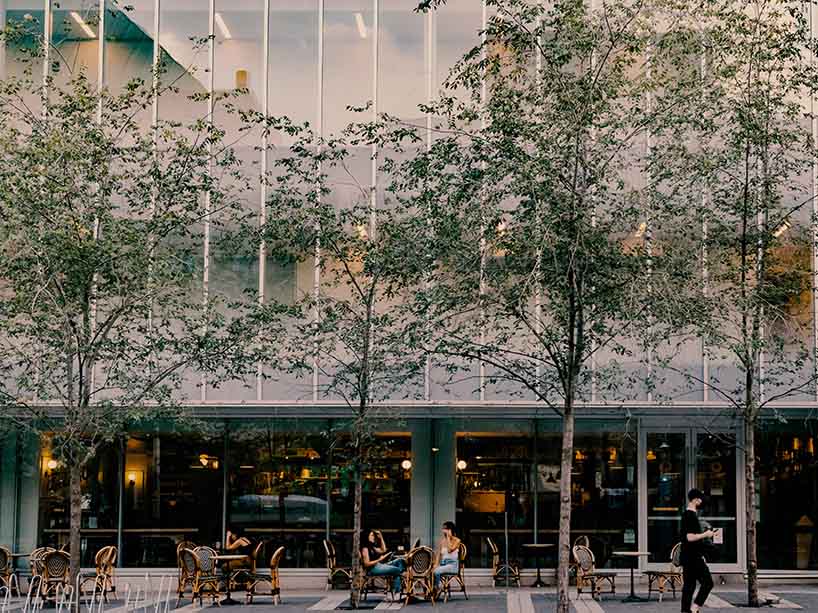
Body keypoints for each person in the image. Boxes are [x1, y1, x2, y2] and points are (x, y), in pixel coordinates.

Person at [681, 488, 717, 613]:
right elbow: (689, 537)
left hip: (689, 556)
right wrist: (706, 534)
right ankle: (694, 608)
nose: (701, 501)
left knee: (689, 587)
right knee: (708, 583)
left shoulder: (688, 514)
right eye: (700, 498)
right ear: (696, 499)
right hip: (693, 557)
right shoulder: (690, 516)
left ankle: (686, 611)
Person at [361, 529, 405, 595]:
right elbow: (366, 564)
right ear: (367, 537)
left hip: (379, 565)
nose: (374, 537)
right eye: (372, 535)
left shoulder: (371, 547)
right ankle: (398, 590)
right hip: (373, 569)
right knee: (397, 570)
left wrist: (381, 537)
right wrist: (379, 559)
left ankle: (396, 582)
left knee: (400, 561)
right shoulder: (365, 548)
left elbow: (383, 550)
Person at [433, 521, 461, 594]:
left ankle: (436, 588)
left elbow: (449, 550)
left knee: (436, 571)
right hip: (443, 564)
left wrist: (448, 537)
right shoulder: (442, 541)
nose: (443, 530)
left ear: (450, 530)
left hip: (452, 565)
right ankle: (430, 590)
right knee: (430, 571)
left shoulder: (457, 540)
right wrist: (436, 564)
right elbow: (438, 554)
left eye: (445, 529)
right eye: (443, 528)